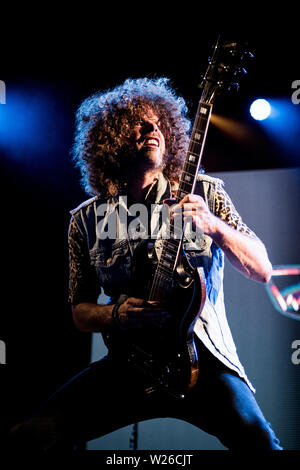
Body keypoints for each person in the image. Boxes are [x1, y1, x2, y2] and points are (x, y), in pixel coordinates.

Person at [9, 77, 282, 451]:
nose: (152, 127)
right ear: (112, 137)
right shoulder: (85, 221)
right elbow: (80, 312)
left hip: (205, 361)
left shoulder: (204, 193)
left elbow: (262, 268)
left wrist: (214, 227)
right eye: (139, 122)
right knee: (32, 435)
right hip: (128, 366)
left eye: (158, 122)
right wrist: (116, 315)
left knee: (260, 442)